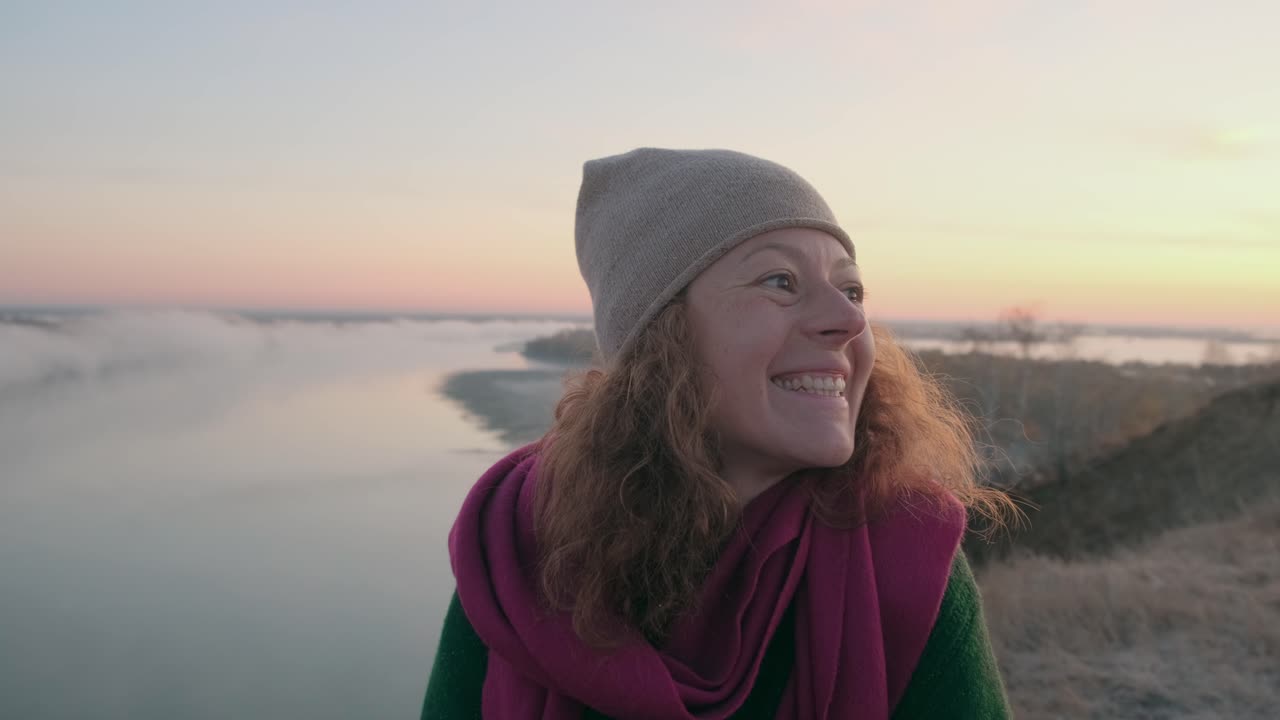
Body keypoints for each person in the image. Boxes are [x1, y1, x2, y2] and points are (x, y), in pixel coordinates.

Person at [422, 148, 1016, 719]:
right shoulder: (517, 548)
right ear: (663, 340)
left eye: (852, 288)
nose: (852, 319)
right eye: (780, 281)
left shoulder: (906, 553)